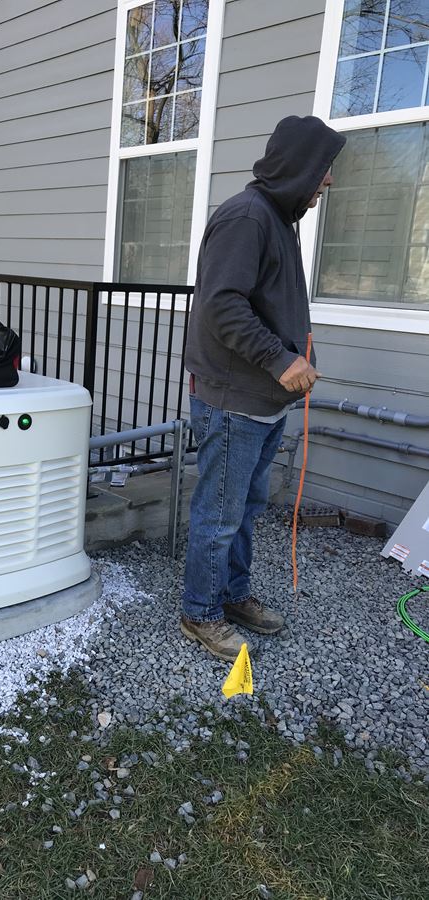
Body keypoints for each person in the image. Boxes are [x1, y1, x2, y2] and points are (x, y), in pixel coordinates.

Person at [180, 115, 346, 662]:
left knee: (246, 508)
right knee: (221, 513)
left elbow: (268, 305)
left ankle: (231, 595)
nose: (328, 182)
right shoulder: (246, 218)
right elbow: (221, 305)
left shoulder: (278, 219)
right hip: (233, 400)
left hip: (263, 402)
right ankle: (200, 612)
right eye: (324, 171)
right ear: (300, 167)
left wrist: (297, 359)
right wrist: (279, 359)